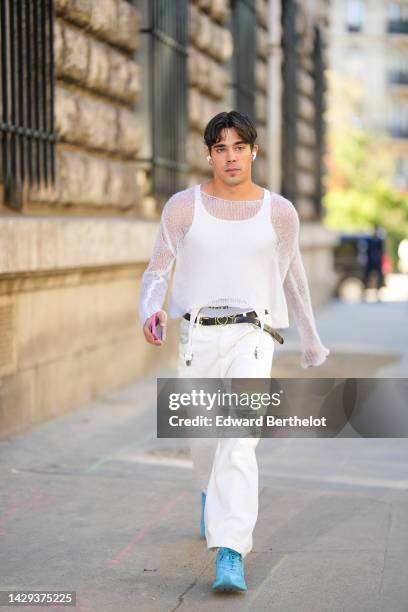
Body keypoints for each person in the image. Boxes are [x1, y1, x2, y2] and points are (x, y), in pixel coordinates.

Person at [139, 110, 330, 593]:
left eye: (239, 147)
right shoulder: (184, 207)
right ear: (209, 155)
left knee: (240, 436)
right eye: (220, 148)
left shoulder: (279, 212)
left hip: (253, 334)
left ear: (253, 152)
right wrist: (150, 310)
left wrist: (309, 336)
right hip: (197, 336)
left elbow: (293, 275)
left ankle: (230, 550)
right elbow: (158, 268)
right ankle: (209, 494)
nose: (230, 157)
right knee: (206, 440)